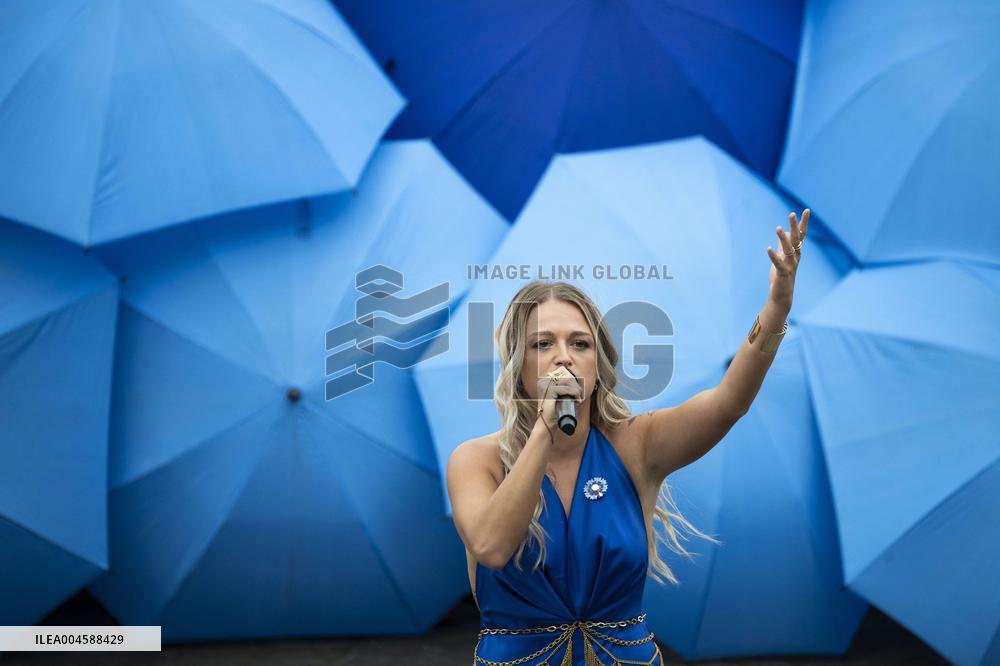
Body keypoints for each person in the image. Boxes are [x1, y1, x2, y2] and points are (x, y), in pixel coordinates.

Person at [447, 211, 809, 665]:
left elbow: (728, 403)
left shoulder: (636, 444)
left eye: (580, 343)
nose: (564, 356)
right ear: (519, 366)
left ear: (598, 365)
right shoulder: (476, 460)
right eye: (543, 344)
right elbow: (492, 547)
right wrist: (543, 431)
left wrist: (776, 311)